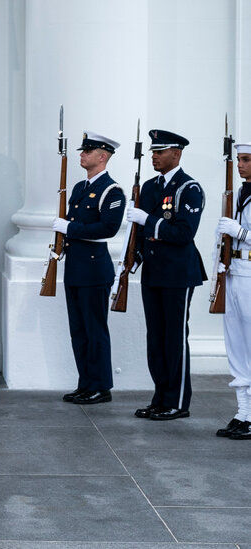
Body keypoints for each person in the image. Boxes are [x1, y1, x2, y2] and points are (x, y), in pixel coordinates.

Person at [126, 129, 206, 420]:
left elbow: (184, 233)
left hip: (178, 272)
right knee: (156, 338)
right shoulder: (148, 187)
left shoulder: (189, 188)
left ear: (177, 153)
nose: (154, 156)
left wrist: (148, 220)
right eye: (153, 152)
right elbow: (141, 234)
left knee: (174, 337)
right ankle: (160, 397)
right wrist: (133, 257)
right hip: (153, 270)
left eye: (160, 151)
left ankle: (178, 401)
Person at [52, 132, 125, 405]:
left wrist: (69, 228)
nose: (82, 155)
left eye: (88, 151)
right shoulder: (79, 189)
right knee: (79, 330)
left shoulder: (111, 190)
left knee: (95, 329)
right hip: (75, 268)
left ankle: (101, 386)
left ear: (102, 156)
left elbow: (108, 228)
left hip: (94, 269)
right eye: (83, 150)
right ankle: (85, 383)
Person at [214, 140, 251, 439]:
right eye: (239, 159)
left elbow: (240, 233)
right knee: (236, 344)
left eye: (246, 159)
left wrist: (241, 233)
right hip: (234, 272)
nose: (240, 164)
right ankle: (243, 412)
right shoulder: (237, 193)